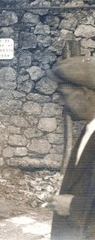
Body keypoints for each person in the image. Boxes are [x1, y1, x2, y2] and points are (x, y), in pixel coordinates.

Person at [48, 56, 95, 239]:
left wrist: (73, 206)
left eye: (64, 95)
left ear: (86, 93)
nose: (60, 102)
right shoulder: (88, 129)